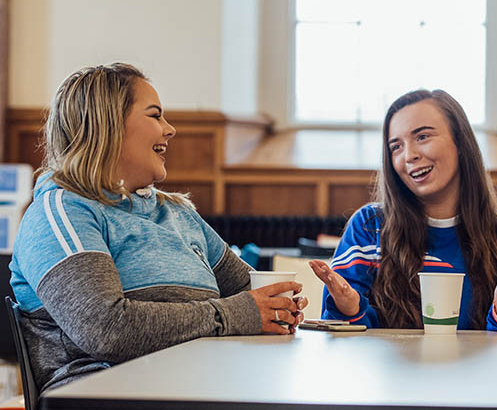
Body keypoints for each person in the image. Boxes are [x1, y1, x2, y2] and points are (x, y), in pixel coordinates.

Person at [9, 63, 307, 392]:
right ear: (108, 124)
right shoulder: (61, 211)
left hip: (204, 384)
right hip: (110, 394)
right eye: (155, 116)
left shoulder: (178, 212)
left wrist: (283, 308)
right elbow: (106, 330)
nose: (170, 130)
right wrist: (232, 315)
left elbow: (251, 295)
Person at [309, 89, 497, 330]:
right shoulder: (368, 226)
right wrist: (351, 309)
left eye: (422, 137)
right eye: (396, 147)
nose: (409, 155)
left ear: (460, 142)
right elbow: (340, 340)